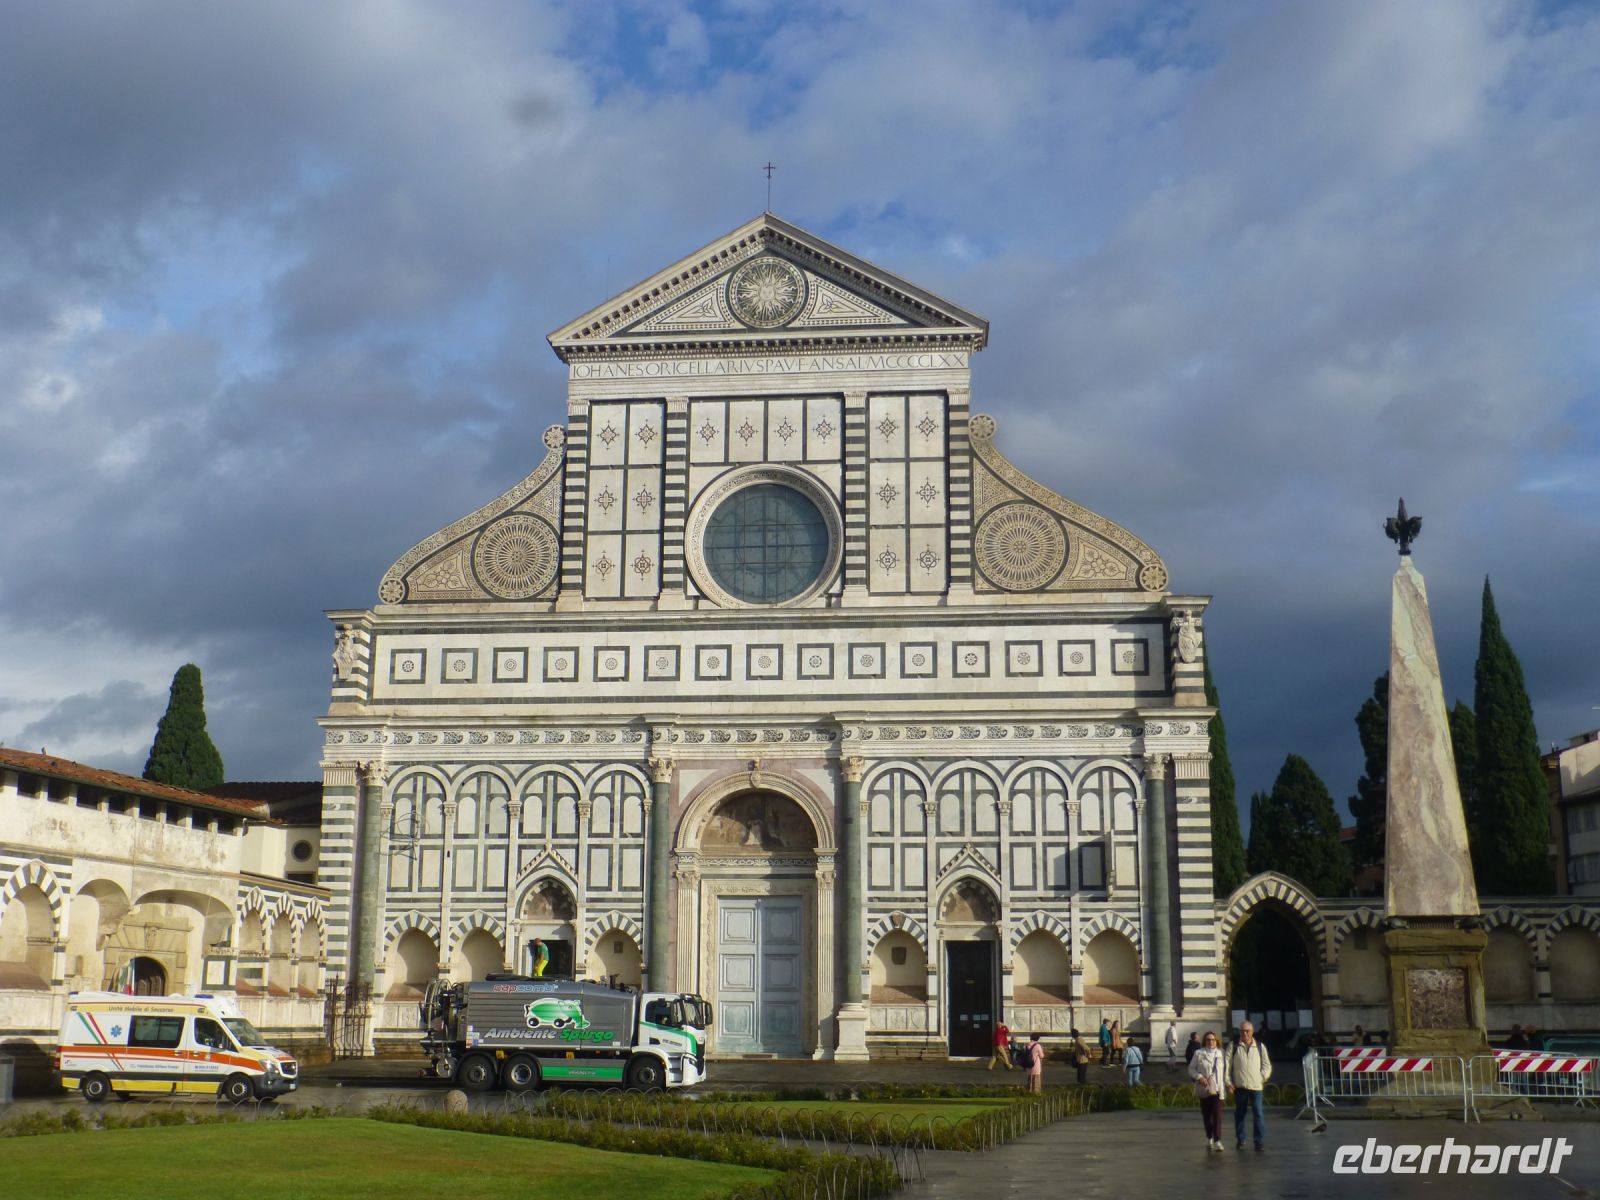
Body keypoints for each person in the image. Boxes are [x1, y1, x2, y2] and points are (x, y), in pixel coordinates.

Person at [1228, 1020, 1272, 1150]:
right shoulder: (1233, 1046)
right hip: (1240, 1086)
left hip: (1256, 1087)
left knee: (1258, 1113)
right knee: (1240, 1114)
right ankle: (1241, 1140)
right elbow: (1227, 1066)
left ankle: (1259, 1141)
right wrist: (1228, 1082)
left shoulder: (1260, 1046)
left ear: (1252, 1032)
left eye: (1247, 1031)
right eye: (1242, 1031)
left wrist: (1261, 1078)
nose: (1245, 1033)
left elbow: (1267, 1065)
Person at [1189, 1030, 1227, 1152]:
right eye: (1208, 1040)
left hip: (1217, 1089)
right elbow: (1191, 1069)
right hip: (1204, 1088)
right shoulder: (1199, 1053)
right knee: (1207, 1115)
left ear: (1217, 1041)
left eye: (1213, 1040)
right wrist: (1199, 1077)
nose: (1211, 1042)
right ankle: (1209, 1136)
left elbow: (1226, 1071)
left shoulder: (1221, 1053)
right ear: (1205, 1041)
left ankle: (1217, 1140)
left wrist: (1228, 1083)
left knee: (1217, 1115)